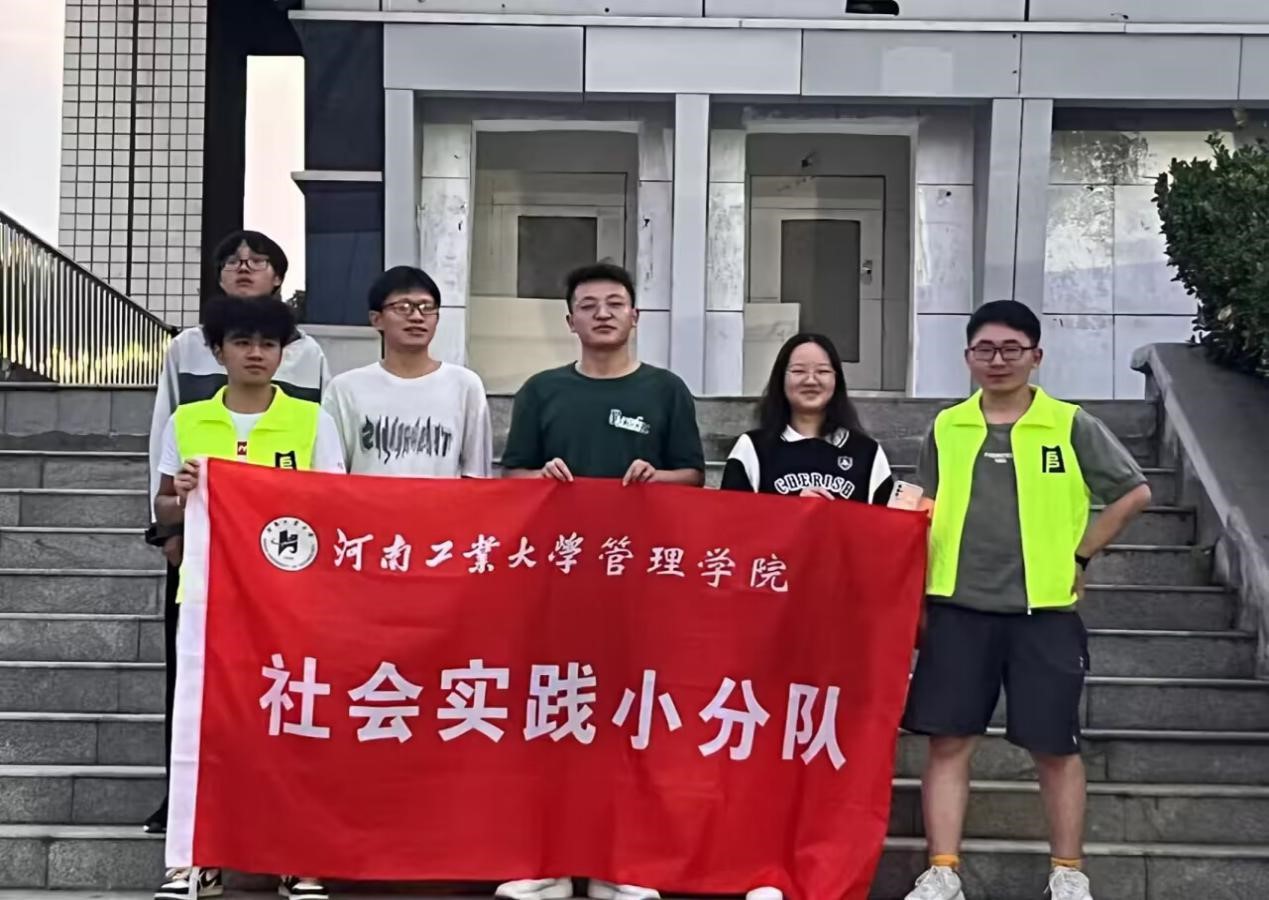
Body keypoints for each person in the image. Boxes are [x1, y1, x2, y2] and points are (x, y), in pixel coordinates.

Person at [899, 301, 1152, 900]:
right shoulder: (947, 426)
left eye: (1012, 348)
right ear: (967, 357)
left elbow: (1133, 492)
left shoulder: (1069, 424)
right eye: (985, 349)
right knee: (948, 742)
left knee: (1054, 746)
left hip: (1044, 613)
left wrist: (1081, 556)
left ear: (1036, 356)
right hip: (957, 607)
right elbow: (921, 506)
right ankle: (943, 872)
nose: (998, 360)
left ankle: (1067, 873)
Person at [496, 262, 705, 900]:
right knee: (554, 720)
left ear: (635, 316)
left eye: (615, 303)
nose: (603, 313)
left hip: (639, 586)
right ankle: (550, 864)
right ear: (570, 321)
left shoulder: (665, 391)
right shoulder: (542, 391)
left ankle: (622, 867)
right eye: (588, 305)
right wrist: (541, 479)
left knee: (626, 725)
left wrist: (656, 478)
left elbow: (693, 476)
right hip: (557, 584)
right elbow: (512, 477)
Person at [150, 295, 343, 900]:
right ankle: (196, 861)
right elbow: (162, 506)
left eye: (267, 344)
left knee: (292, 726)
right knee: (208, 731)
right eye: (241, 342)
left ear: (283, 354)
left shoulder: (313, 421)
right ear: (218, 351)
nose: (255, 353)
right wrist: (182, 495)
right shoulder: (188, 421)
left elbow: (336, 504)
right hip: (208, 600)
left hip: (290, 601)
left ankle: (297, 858)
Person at [322, 265, 491, 477]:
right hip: (366, 500)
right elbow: (330, 474)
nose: (417, 317)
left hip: (443, 500)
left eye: (427, 307)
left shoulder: (465, 386)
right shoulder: (345, 389)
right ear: (376, 319)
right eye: (403, 307)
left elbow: (476, 474)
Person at [721, 332, 894, 505]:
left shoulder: (867, 453)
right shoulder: (752, 448)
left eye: (822, 371)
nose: (811, 381)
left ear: (837, 379)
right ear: (781, 379)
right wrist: (795, 508)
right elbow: (732, 516)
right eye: (798, 371)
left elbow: (885, 519)